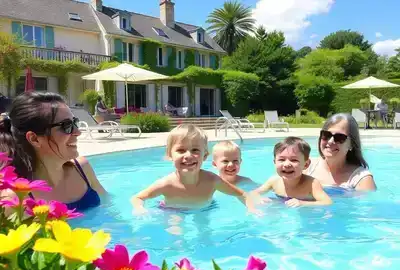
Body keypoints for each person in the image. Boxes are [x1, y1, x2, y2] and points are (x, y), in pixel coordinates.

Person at [0, 91, 106, 211]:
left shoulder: (82, 169)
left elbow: (109, 208)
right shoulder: (14, 200)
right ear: (34, 139)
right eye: (66, 126)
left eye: (74, 122)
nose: (78, 132)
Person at [130, 124, 260, 214]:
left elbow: (242, 194)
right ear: (170, 155)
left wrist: (251, 209)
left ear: (205, 155)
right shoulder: (166, 184)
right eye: (181, 150)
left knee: (205, 233)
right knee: (176, 234)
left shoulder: (212, 180)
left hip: (205, 209)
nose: (188, 155)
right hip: (173, 211)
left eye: (195, 150)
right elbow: (137, 198)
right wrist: (139, 209)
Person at [305, 113, 376, 191]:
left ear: (351, 144)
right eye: (326, 135)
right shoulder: (306, 167)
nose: (330, 141)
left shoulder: (362, 180)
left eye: (339, 137)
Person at [253, 137, 332, 207]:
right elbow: (253, 193)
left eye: (294, 160)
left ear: (306, 164)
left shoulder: (311, 184)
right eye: (281, 159)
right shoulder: (274, 181)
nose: (287, 164)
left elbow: (327, 202)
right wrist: (259, 198)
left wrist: (303, 203)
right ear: (275, 162)